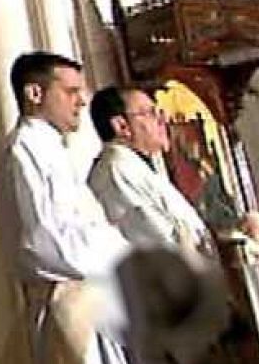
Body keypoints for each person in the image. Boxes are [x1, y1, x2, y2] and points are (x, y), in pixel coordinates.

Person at [0, 52, 135, 364]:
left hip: (93, 303)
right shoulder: (23, 150)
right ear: (35, 94)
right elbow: (44, 242)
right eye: (71, 91)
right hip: (69, 307)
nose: (83, 100)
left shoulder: (53, 149)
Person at [87, 87, 214, 258]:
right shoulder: (117, 170)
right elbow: (159, 242)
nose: (162, 119)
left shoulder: (136, 165)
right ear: (121, 126)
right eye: (151, 113)